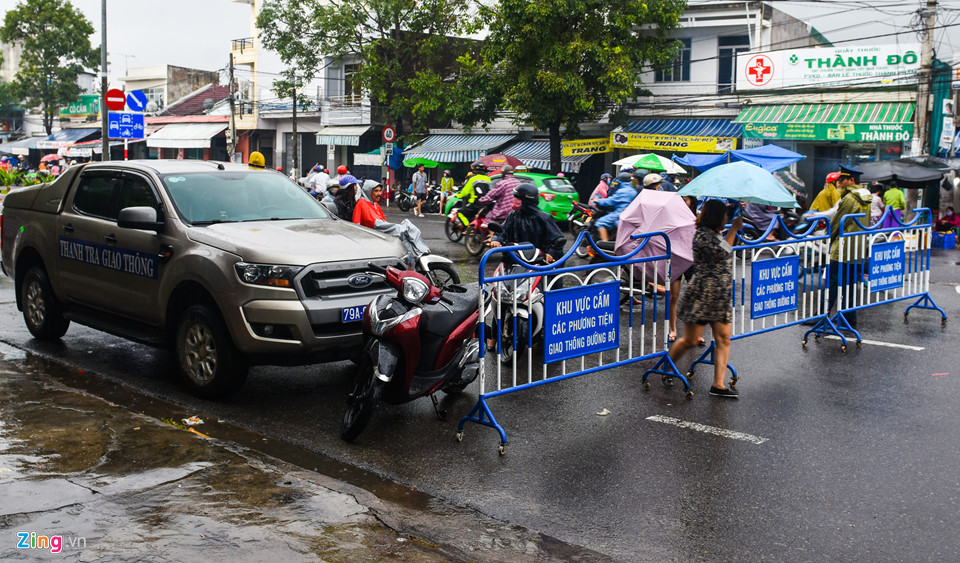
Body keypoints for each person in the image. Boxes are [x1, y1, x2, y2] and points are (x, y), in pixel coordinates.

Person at [668, 199, 743, 398]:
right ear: (717, 216)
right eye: (725, 215)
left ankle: (718, 384)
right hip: (702, 295)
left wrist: (732, 231)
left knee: (724, 339)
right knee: (690, 340)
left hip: (720, 295)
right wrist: (734, 230)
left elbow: (725, 248)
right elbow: (721, 252)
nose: (727, 218)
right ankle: (667, 368)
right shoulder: (701, 235)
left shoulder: (716, 235)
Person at [827, 171, 872, 327]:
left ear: (851, 180)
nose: (839, 183)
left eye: (842, 180)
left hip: (843, 249)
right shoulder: (867, 198)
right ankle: (850, 318)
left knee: (832, 282)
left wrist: (828, 239)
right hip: (858, 249)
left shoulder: (849, 198)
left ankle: (823, 316)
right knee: (851, 285)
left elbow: (837, 223)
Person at [594, 172, 640, 242]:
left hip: (619, 213)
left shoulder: (622, 191)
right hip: (627, 213)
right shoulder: (633, 190)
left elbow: (611, 200)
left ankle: (604, 243)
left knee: (600, 222)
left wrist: (598, 201)